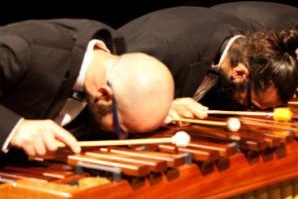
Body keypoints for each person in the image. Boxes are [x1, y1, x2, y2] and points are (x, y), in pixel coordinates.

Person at [0, 19, 174, 158]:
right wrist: (14, 129)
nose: (122, 137)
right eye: (121, 129)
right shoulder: (23, 51)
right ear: (104, 95)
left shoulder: (113, 55)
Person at [119, 6, 298, 119]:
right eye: (252, 106)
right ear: (239, 73)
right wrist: (164, 109)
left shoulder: (241, 45)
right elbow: (110, 94)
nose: (251, 113)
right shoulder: (163, 48)